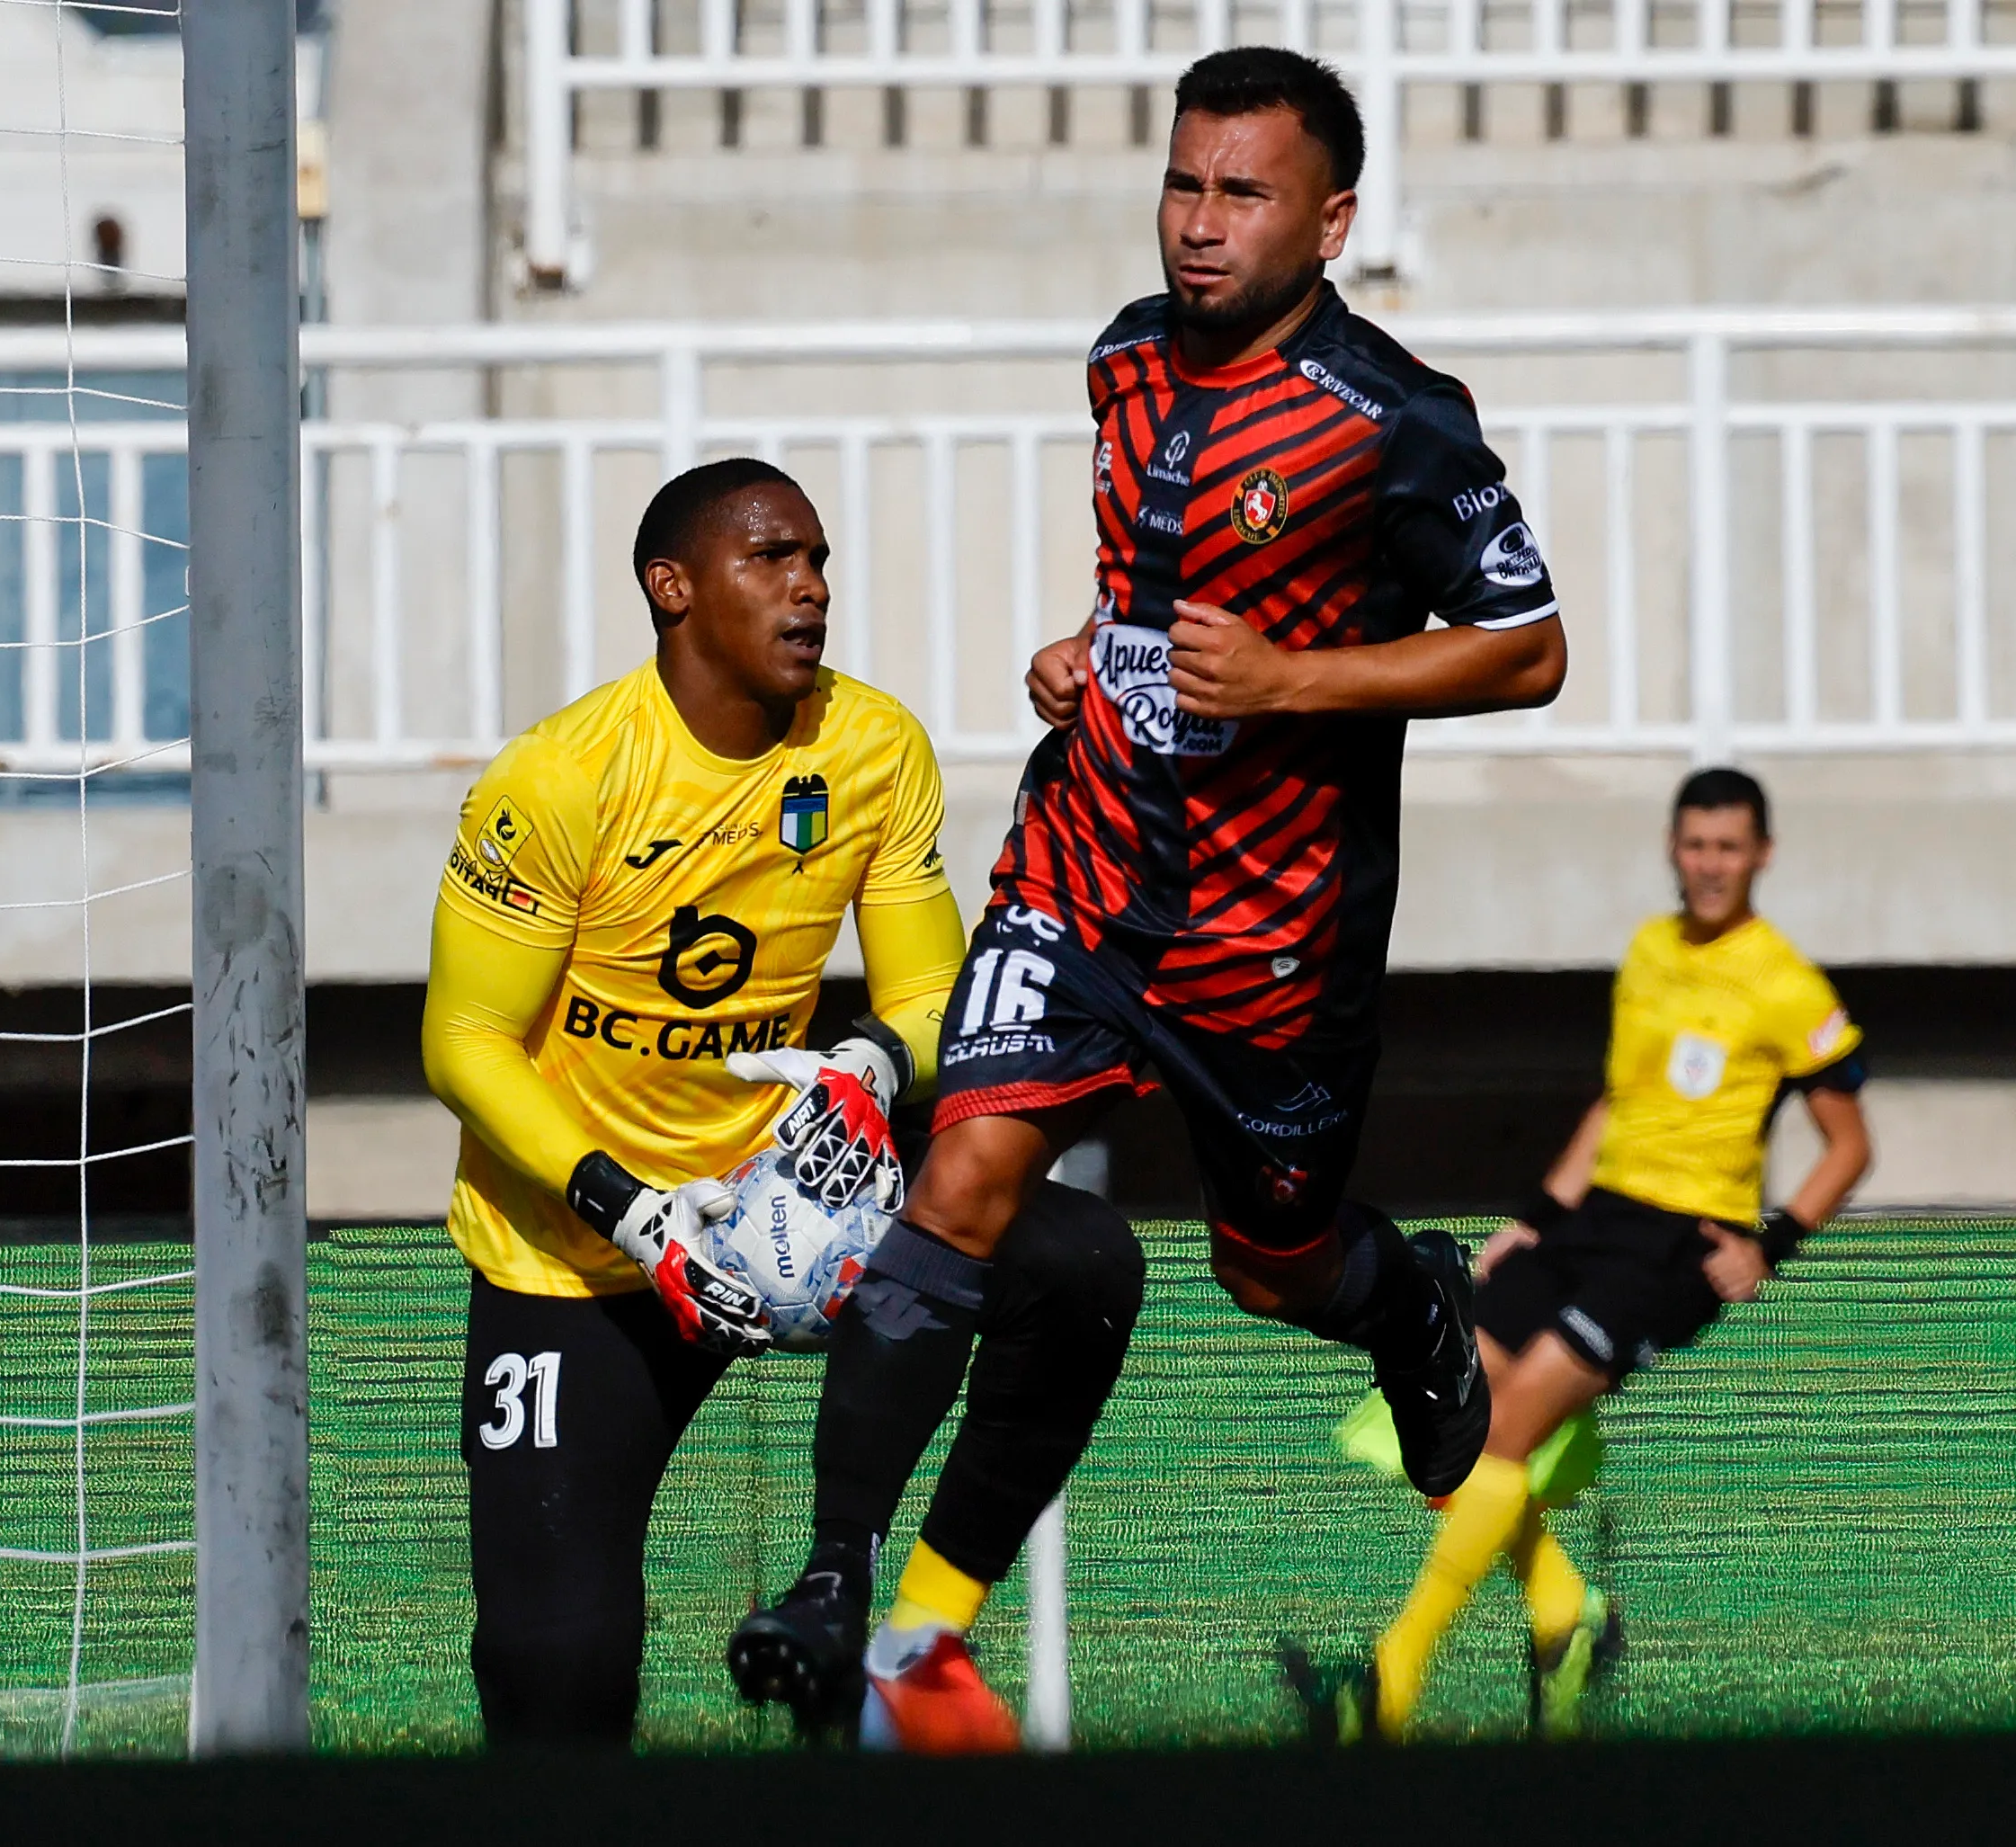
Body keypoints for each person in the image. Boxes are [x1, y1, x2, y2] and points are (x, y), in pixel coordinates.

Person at [727, 44, 1569, 1753]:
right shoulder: (1123, 354)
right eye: (1184, 181)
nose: (1200, 220)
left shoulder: (1397, 416)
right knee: (963, 1174)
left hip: (1275, 940)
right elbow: (1156, 586)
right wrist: (1087, 653)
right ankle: (833, 1583)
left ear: (1330, 220)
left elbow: (1530, 648)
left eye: (1243, 192)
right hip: (1088, 865)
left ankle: (1408, 1301)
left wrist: (1292, 679)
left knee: (1274, 1268)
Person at [422, 456, 984, 1744]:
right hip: (581, 1260)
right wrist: (631, 1211)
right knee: (554, 1673)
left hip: (786, 1208)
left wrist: (870, 1064)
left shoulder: (873, 744)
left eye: (818, 559)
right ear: (672, 587)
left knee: (1078, 1260)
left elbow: (930, 993)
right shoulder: (557, 777)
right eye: (772, 557)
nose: (811, 587)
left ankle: (873, 1607)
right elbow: (461, 1042)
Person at [1289, 765, 1874, 1744]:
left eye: (1728, 847)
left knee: (1506, 1433)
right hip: (1592, 1217)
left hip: (1679, 1243)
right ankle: (1569, 1617)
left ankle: (1389, 1687)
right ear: (1673, 847)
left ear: (1761, 855)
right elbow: (1615, 1101)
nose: (1710, 864)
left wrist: (1772, 1242)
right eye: (1695, 844)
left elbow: (1848, 1144)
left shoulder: (1786, 983)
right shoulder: (1648, 949)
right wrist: (1534, 1217)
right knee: (1459, 1407)